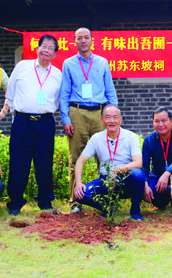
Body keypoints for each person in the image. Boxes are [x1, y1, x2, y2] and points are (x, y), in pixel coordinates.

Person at [60, 27, 118, 213]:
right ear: (74, 41)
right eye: (79, 38)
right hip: (77, 113)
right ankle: (75, 201)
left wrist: (113, 116)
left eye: (86, 37)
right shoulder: (68, 64)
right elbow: (64, 93)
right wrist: (65, 118)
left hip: (100, 114)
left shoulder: (102, 62)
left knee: (106, 158)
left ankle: (107, 200)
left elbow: (110, 90)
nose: (83, 41)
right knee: (75, 158)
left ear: (92, 40)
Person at [4, 35, 62, 215]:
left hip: (45, 122)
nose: (46, 50)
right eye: (43, 46)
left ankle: (45, 201)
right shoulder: (22, 67)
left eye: (50, 48)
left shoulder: (57, 74)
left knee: (44, 162)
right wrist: (6, 110)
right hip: (22, 121)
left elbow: (59, 101)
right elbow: (10, 94)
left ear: (54, 53)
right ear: (37, 48)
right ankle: (15, 203)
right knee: (18, 162)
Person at [72, 105, 145, 221]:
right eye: (107, 117)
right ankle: (108, 207)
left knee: (138, 174)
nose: (112, 121)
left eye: (115, 117)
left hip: (125, 179)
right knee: (81, 194)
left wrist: (117, 170)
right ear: (102, 120)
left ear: (120, 119)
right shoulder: (96, 138)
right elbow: (80, 161)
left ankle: (135, 212)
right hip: (106, 181)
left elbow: (138, 163)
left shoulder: (131, 137)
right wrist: (79, 183)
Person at [141, 107, 172, 216]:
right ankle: (160, 202)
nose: (160, 124)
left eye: (164, 120)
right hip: (157, 179)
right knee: (140, 185)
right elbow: (145, 166)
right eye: (157, 121)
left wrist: (167, 174)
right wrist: (145, 184)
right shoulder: (149, 139)